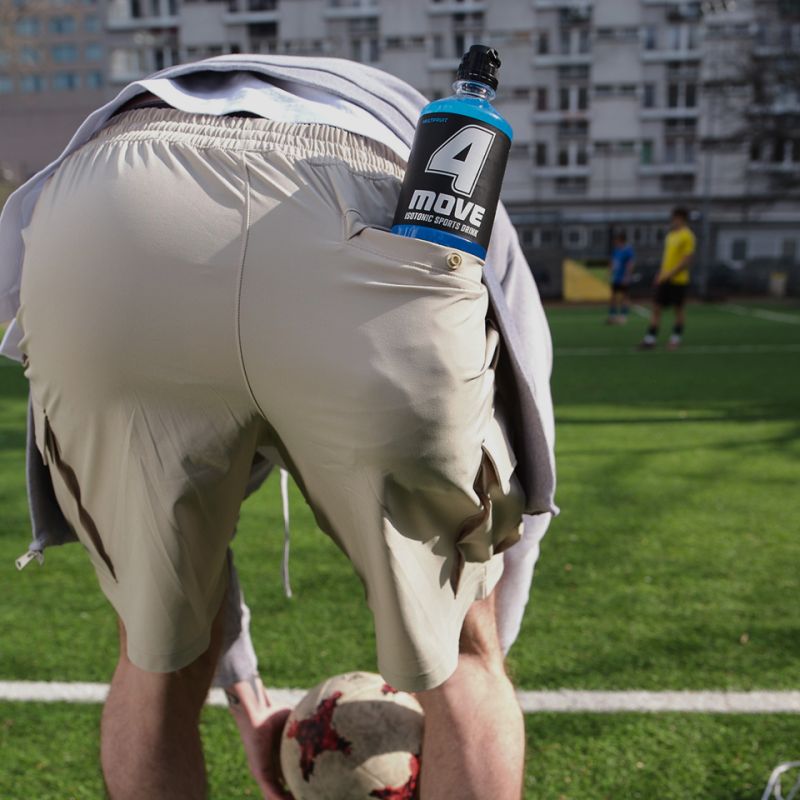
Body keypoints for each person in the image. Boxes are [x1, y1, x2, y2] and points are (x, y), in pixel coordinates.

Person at [1, 54, 557, 800]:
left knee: (151, 657)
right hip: (370, 183)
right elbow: (524, 376)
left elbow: (188, 565)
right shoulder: (446, 154)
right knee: (461, 658)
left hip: (110, 206)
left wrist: (247, 695)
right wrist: (474, 644)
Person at [639, 207, 696, 350]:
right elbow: (667, 258)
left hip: (679, 280)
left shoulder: (687, 236)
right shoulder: (671, 235)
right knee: (656, 308)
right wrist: (661, 273)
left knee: (678, 310)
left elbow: (687, 260)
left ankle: (675, 339)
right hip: (665, 279)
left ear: (682, 218)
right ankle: (650, 339)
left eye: (675, 218)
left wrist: (671, 273)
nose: (673, 220)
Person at [606, 230, 635, 325]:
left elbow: (630, 264)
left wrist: (627, 276)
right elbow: (612, 263)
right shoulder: (616, 250)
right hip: (616, 277)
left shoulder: (628, 250)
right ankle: (613, 316)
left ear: (621, 240)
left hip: (623, 277)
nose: (615, 241)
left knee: (624, 297)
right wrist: (609, 273)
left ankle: (623, 316)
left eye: (617, 240)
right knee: (613, 296)